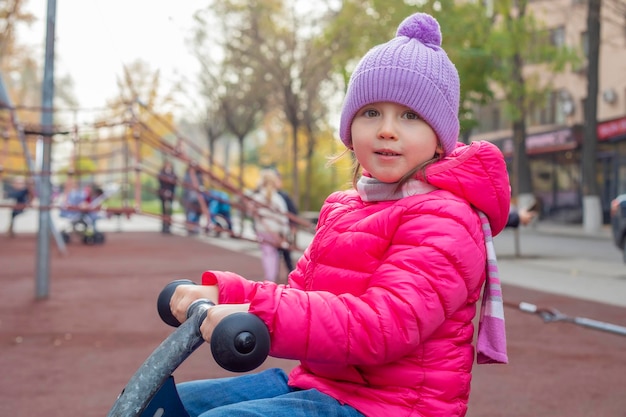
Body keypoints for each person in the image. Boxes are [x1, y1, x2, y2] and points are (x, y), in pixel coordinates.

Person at [168, 13, 510, 417]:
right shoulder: (343, 208)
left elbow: (380, 327)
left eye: (410, 116)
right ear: (350, 129)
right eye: (371, 113)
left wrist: (258, 313)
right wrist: (225, 293)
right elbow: (300, 296)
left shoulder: (445, 218)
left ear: (439, 141)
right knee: (173, 404)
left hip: (393, 407)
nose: (386, 130)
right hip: (325, 386)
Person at [249, 169, 290, 282]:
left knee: (267, 253)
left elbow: (251, 212)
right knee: (274, 254)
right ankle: (271, 277)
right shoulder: (277, 198)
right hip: (275, 231)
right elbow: (283, 217)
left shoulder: (257, 197)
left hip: (262, 230)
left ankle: (269, 277)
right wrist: (285, 233)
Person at [275, 170, 299, 274]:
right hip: (274, 229)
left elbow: (292, 211)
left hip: (284, 229)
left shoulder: (284, 196)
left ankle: (290, 272)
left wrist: (293, 227)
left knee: (286, 253)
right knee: (273, 254)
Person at [158, 160, 178, 234]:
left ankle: (169, 225)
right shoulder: (162, 173)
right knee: (164, 210)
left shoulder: (173, 173)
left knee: (169, 210)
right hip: (163, 194)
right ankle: (164, 225)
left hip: (170, 194)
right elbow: (160, 180)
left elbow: (175, 181)